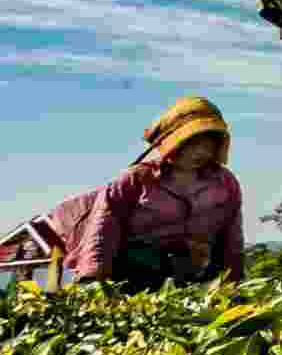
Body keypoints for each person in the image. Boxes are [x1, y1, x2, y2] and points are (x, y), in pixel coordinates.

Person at [57, 96, 245, 289]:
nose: (201, 152)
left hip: (192, 268)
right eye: (194, 144)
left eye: (208, 145)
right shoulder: (136, 178)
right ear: (174, 142)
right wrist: (94, 277)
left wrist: (234, 281)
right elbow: (103, 228)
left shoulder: (225, 183)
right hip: (136, 270)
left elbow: (231, 237)